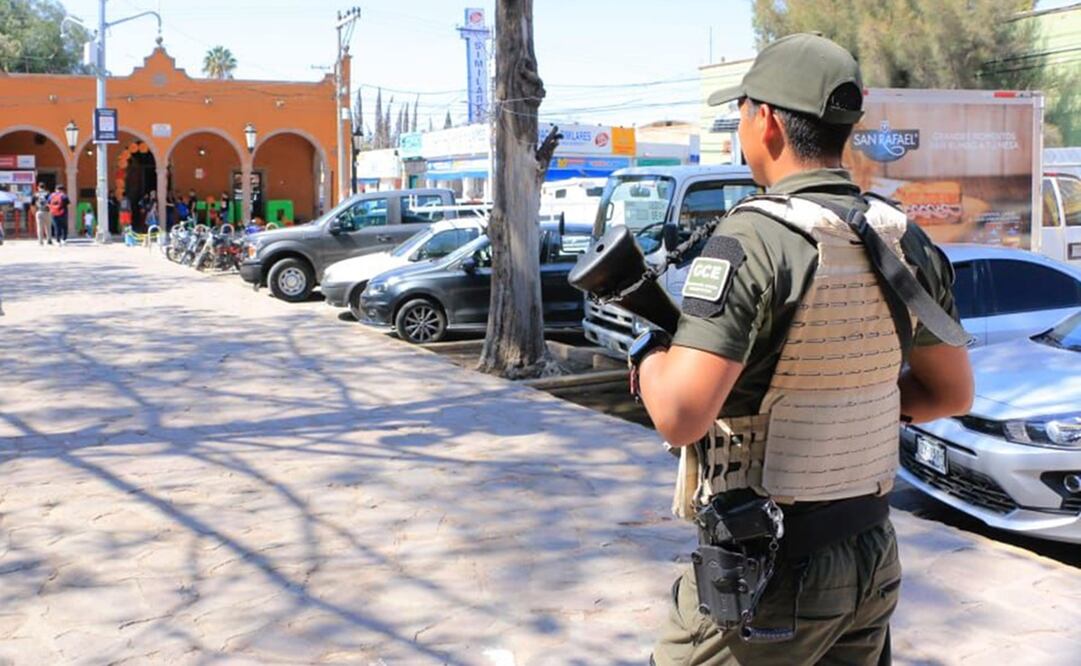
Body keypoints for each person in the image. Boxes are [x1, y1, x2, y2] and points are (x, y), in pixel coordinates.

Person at [636, 34, 975, 665]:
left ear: (764, 121)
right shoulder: (903, 236)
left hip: (768, 570)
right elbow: (950, 393)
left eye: (739, 110)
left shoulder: (754, 237)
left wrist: (648, 355)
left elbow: (680, 415)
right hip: (871, 555)